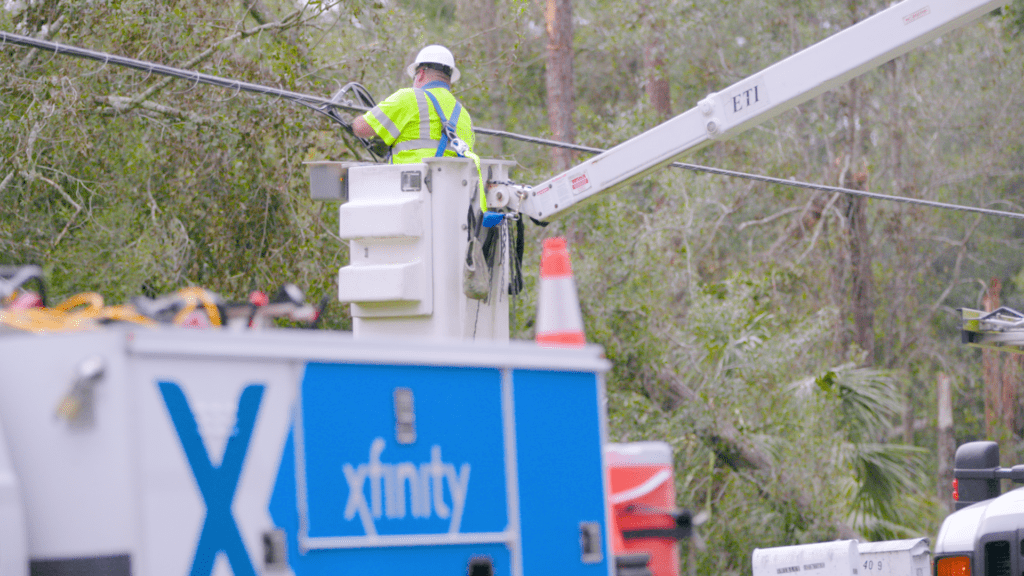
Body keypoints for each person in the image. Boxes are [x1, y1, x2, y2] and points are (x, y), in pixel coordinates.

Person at [353, 45, 476, 165]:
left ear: (421, 73)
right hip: (454, 185)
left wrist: (354, 121)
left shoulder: (409, 98)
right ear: (449, 80)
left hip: (410, 183)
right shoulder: (464, 114)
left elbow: (361, 128)